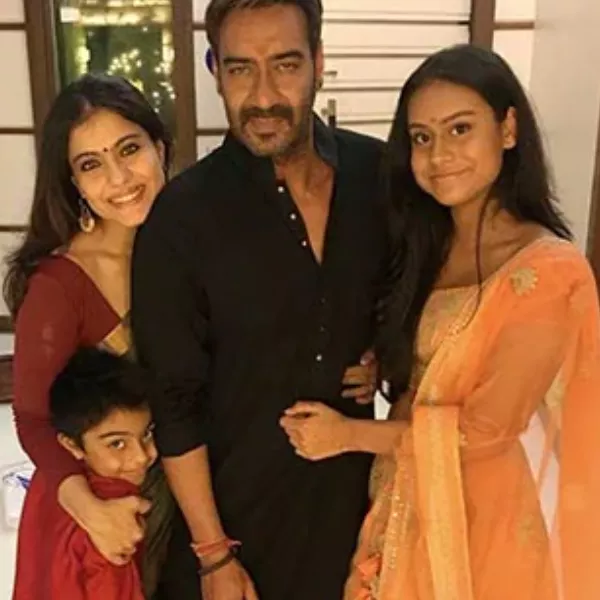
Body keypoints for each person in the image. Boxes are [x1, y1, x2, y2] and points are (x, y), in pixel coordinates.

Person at [280, 45, 600, 599]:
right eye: (422, 138)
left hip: (484, 519)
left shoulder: (548, 272)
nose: (439, 155)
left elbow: (486, 430)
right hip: (409, 497)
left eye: (460, 129)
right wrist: (384, 362)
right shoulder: (428, 245)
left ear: (508, 129)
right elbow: (440, 358)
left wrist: (347, 435)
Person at [130, 0, 386, 598]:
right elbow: (174, 403)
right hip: (235, 531)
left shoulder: (377, 176)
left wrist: (384, 353)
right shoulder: (182, 218)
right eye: (241, 68)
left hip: (353, 517)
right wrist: (214, 556)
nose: (263, 95)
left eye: (286, 65)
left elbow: (420, 302)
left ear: (318, 61)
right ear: (215, 71)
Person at [5, 73, 174, 598]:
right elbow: (33, 419)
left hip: (180, 490)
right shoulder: (60, 285)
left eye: (129, 149)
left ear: (160, 147)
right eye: (91, 164)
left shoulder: (185, 251)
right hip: (94, 519)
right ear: (73, 182)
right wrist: (93, 513)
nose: (119, 177)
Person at [13, 348, 157, 600]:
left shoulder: (49, 480)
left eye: (146, 434)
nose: (142, 457)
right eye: (117, 444)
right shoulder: (116, 519)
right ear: (71, 445)